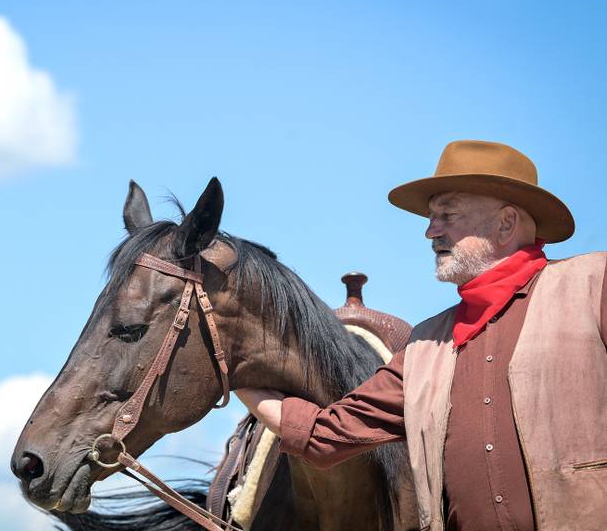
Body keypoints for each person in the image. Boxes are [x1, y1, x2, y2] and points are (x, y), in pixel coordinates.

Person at [236, 140, 607, 531]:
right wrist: (236, 374)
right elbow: (329, 432)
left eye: (447, 214)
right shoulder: (426, 345)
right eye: (431, 217)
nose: (431, 231)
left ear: (506, 223)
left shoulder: (593, 285)